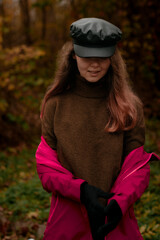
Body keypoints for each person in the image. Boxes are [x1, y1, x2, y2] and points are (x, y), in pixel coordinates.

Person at [36, 18, 160, 240]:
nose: (94, 64)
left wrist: (119, 202)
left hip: (115, 219)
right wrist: (81, 192)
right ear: (73, 55)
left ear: (112, 58)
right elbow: (46, 167)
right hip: (68, 219)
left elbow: (136, 167)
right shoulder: (55, 103)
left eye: (102, 57)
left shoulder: (129, 106)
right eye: (86, 56)